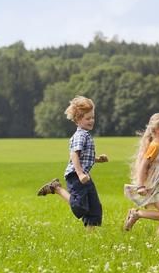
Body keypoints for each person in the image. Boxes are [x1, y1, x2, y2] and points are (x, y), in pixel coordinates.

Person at [36, 96, 108, 230]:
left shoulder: (86, 134)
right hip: (76, 176)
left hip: (84, 176)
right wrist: (80, 174)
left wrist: (97, 159)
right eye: (88, 118)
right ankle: (56, 188)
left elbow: (84, 156)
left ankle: (90, 236)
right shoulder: (80, 135)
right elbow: (74, 155)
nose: (91, 120)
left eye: (93, 117)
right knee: (79, 206)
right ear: (78, 119)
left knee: (95, 207)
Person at [123, 113, 159, 236]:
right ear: (157, 130)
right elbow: (143, 165)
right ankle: (136, 214)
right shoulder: (155, 146)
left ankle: (158, 243)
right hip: (154, 187)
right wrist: (140, 185)